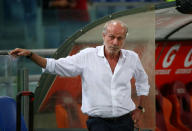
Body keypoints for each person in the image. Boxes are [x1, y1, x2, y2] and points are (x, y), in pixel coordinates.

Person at [9, 20, 150, 131]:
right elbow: (55, 66)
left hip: (125, 122)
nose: (115, 42)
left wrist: (140, 109)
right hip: (98, 123)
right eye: (111, 37)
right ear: (103, 36)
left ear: (125, 38)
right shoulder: (88, 56)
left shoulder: (132, 58)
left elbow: (143, 81)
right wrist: (31, 55)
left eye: (120, 38)